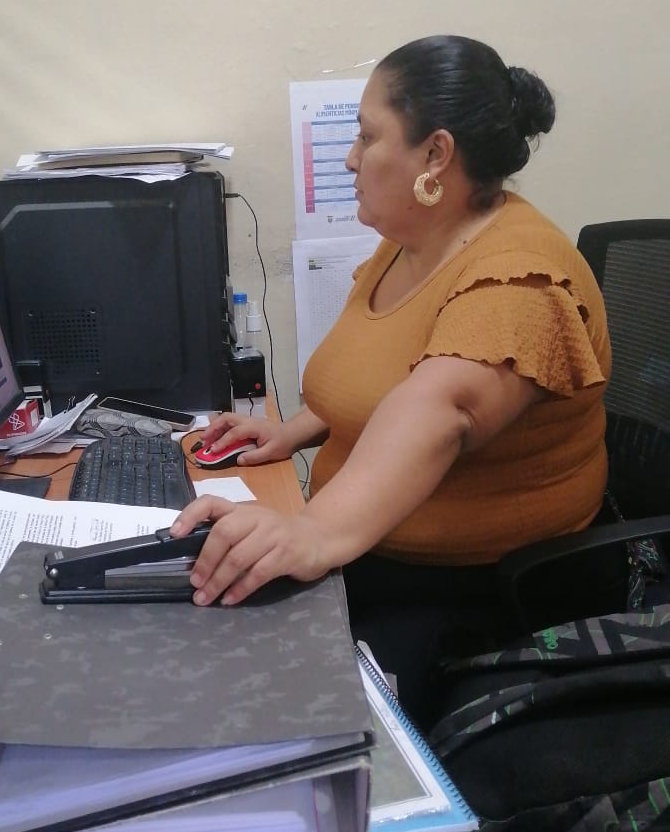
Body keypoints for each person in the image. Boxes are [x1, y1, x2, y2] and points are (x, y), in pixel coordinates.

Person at [170, 35, 611, 722]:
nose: (350, 157)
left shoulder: (520, 279)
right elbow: (382, 370)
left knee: (256, 692)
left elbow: (443, 408)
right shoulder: (413, 245)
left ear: (435, 155)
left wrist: (312, 533)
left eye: (368, 136)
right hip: (379, 555)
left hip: (475, 597)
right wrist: (294, 430)